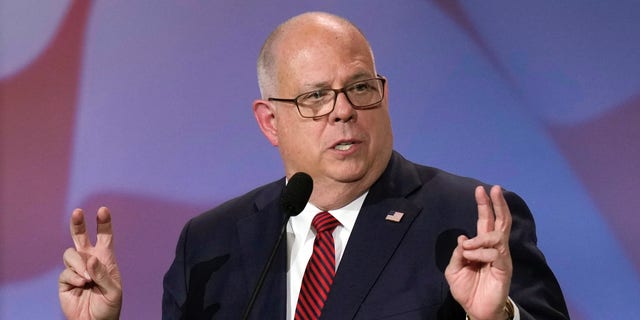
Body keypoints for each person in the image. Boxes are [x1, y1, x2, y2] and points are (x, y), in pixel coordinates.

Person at [59, 11, 570, 320]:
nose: (343, 110)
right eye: (316, 96)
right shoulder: (210, 243)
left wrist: (497, 318)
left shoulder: (465, 220)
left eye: (360, 88)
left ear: (383, 95)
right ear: (269, 121)